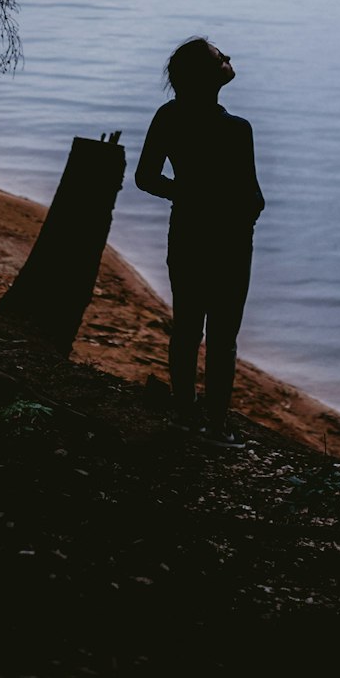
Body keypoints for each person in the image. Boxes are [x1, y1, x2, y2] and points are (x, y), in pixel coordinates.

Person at [135, 37, 265, 448]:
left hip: (187, 233)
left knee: (187, 328)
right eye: (218, 56)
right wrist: (240, 213)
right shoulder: (236, 129)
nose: (227, 56)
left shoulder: (168, 117)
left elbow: (146, 177)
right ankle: (216, 425)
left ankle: (184, 414)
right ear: (209, 76)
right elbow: (252, 198)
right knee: (223, 339)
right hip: (228, 243)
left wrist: (185, 193)